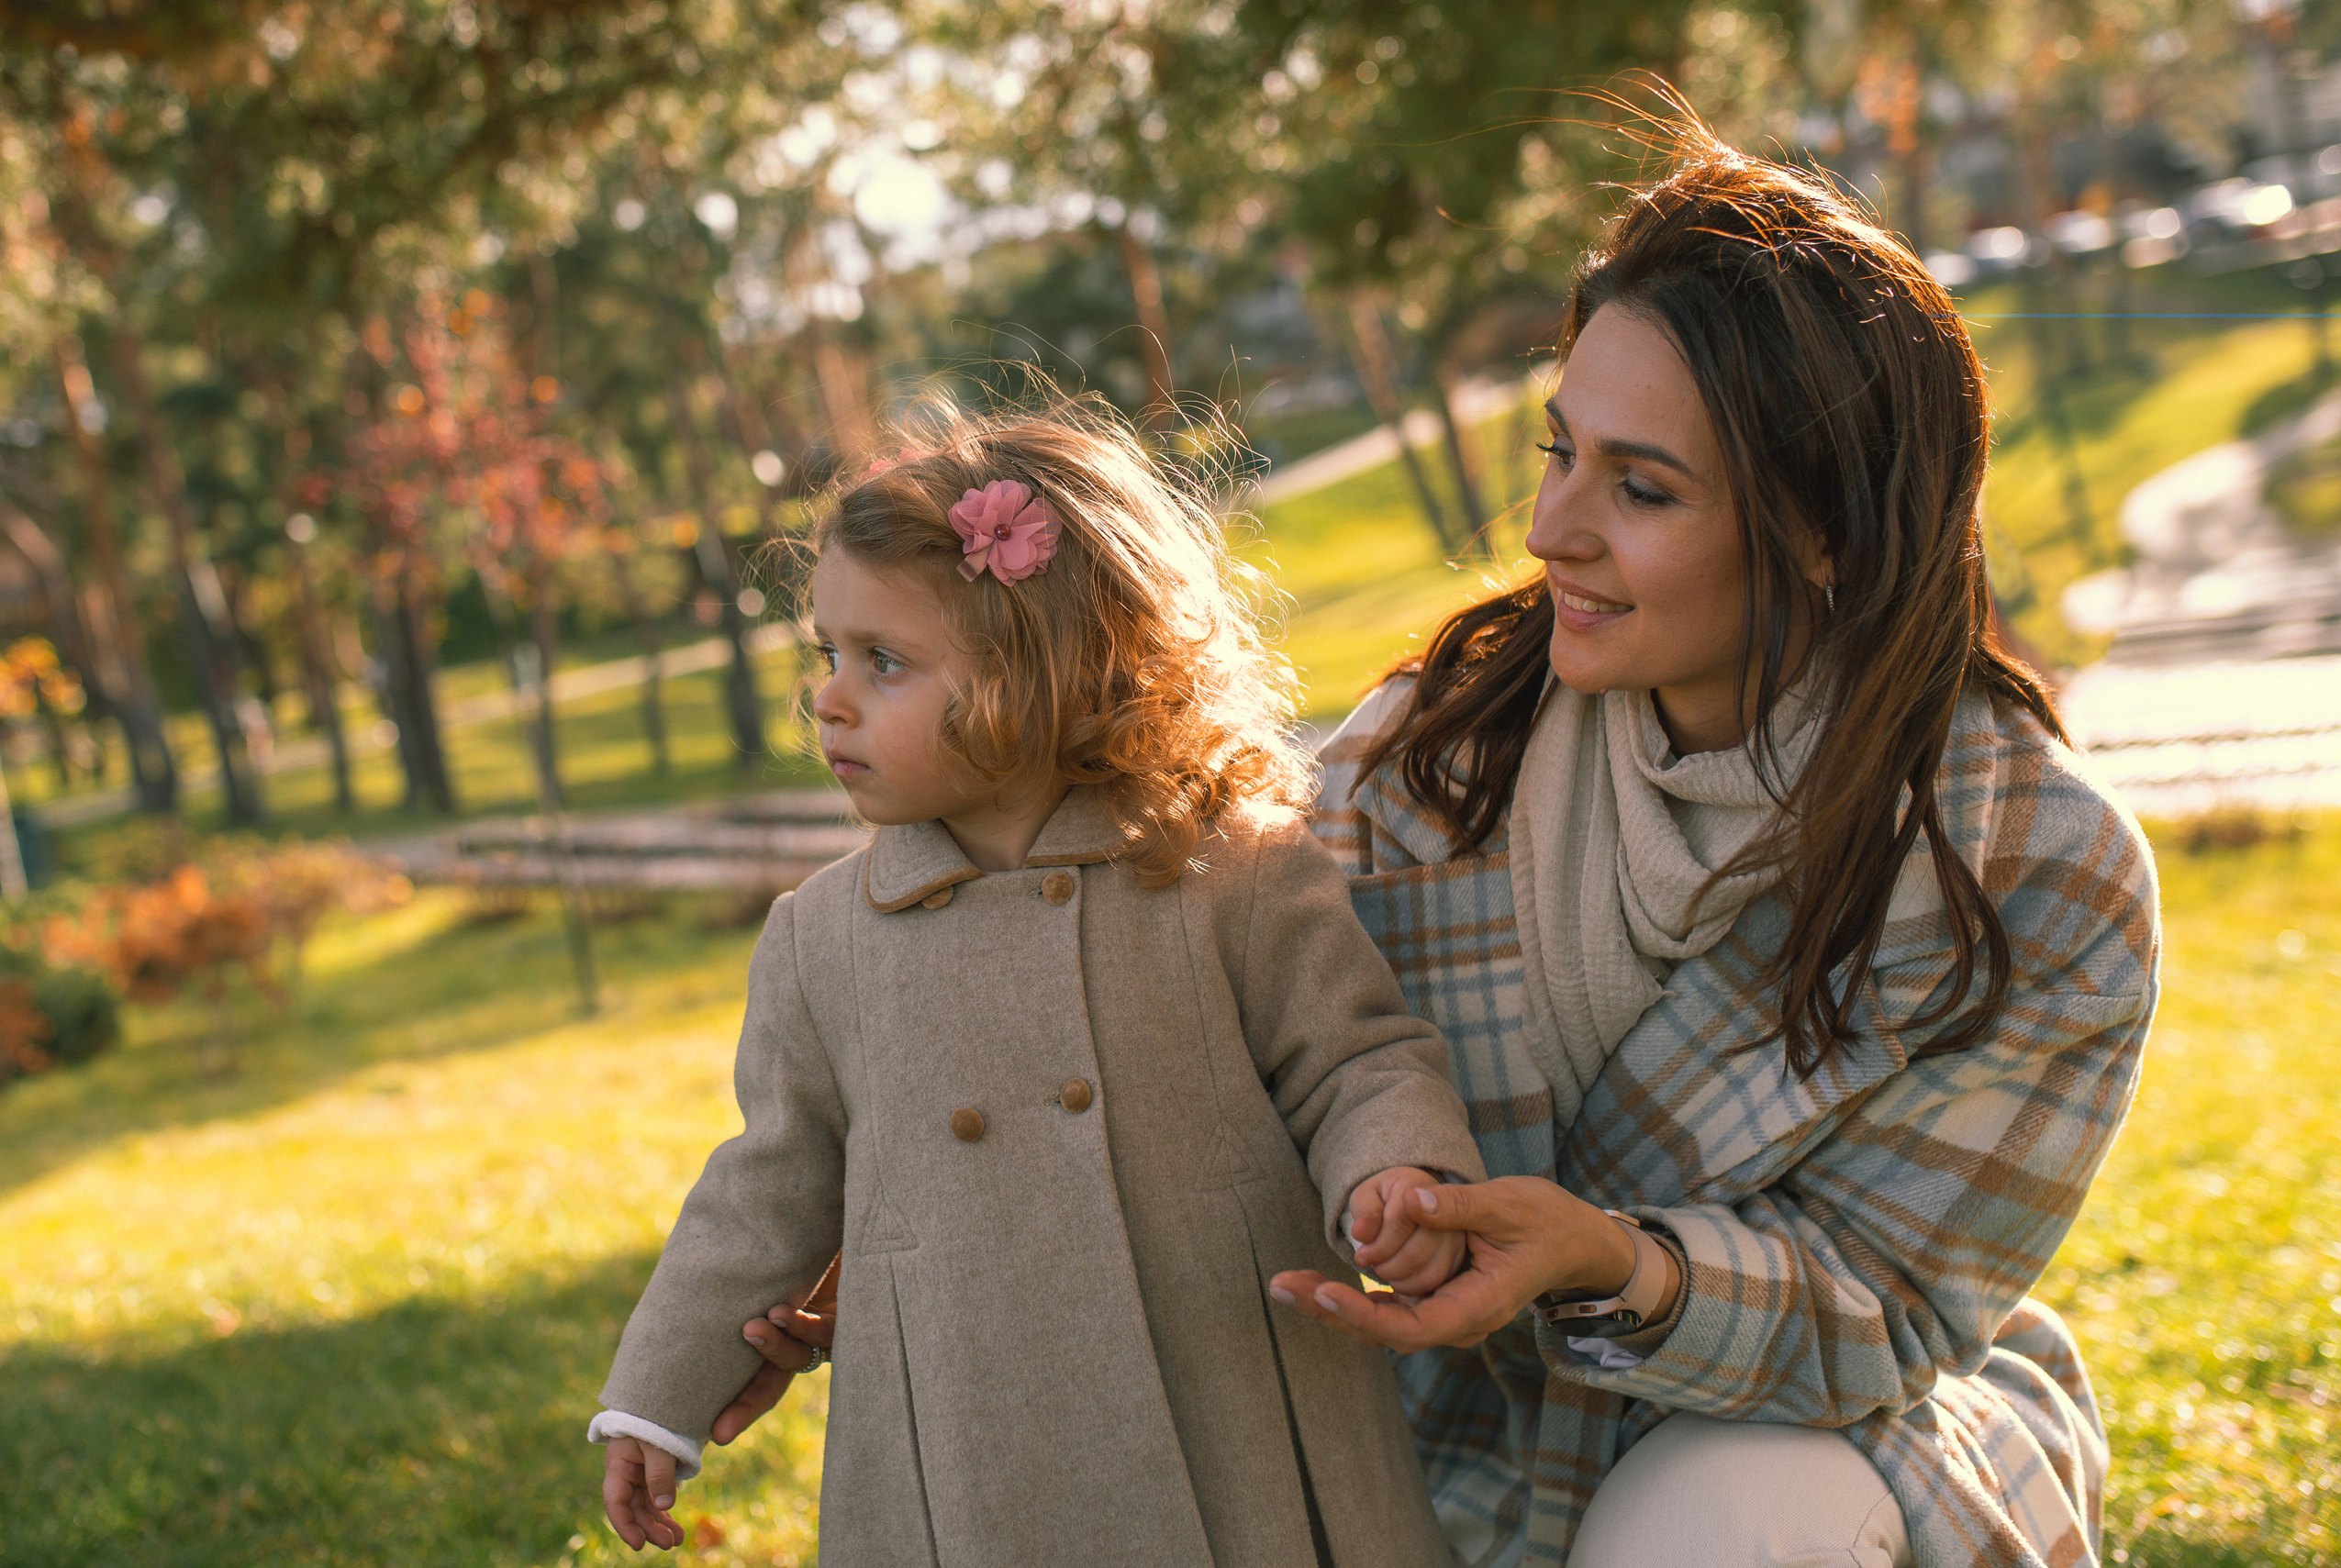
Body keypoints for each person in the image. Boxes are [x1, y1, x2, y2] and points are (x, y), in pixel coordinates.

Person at [1259, 122, 2160, 1568]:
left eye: (1643, 488)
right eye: (1561, 449)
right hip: (1461, 1447)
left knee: (1714, 1529)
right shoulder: (1427, 759)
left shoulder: (2039, 874)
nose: (1551, 526)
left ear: (1822, 530)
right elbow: (1229, 1053)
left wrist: (1621, 1263)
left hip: (1822, 1440)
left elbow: (1894, 1309)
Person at [588, 404, 1488, 1565]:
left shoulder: (1227, 868)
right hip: (967, 1438)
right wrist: (660, 1392)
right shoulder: (824, 939)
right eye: (828, 652)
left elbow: (1356, 1057)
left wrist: (1396, 1170)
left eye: (886, 661)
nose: (830, 696)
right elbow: (765, 1182)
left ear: (1043, 669)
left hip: (1233, 1407)